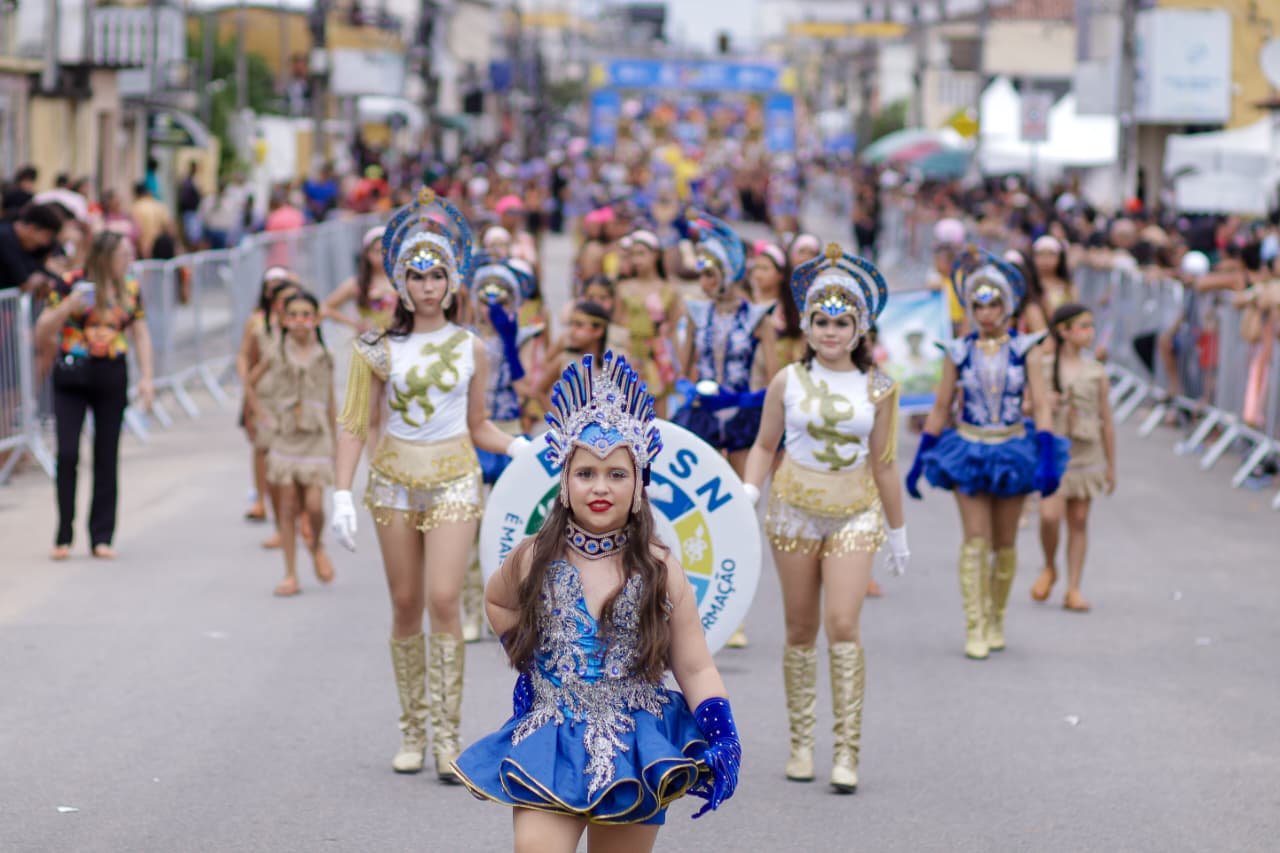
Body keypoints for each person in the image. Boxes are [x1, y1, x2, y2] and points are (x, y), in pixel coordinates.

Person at [452, 351, 742, 845]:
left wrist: (724, 735)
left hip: (636, 745)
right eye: (586, 473)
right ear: (565, 483)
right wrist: (528, 659)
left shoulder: (660, 569)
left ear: (639, 484)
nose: (600, 487)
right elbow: (498, 602)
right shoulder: (532, 557)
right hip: (550, 737)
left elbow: (694, 666)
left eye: (617, 474)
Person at [329, 188, 531, 779]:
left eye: (436, 275)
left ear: (452, 281)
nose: (426, 286)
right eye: (416, 276)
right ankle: (412, 730)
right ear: (400, 282)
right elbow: (355, 424)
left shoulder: (471, 348)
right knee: (404, 603)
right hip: (392, 482)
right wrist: (341, 493)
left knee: (444, 599)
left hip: (454, 480)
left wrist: (518, 446)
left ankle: (447, 735)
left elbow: (478, 424)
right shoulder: (376, 349)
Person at [741, 242, 909, 793]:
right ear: (807, 327)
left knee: (842, 623)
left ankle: (846, 751)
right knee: (799, 628)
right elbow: (764, 445)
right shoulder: (787, 381)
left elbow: (885, 465)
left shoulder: (879, 387)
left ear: (859, 329)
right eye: (821, 321)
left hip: (854, 515)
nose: (831, 331)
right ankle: (800, 744)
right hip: (793, 513)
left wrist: (898, 532)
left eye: (841, 322)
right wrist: (750, 489)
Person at [904, 248, 1068, 659]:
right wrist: (920, 459)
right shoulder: (958, 351)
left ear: (1007, 306)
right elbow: (941, 406)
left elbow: (1041, 404)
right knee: (975, 540)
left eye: (993, 303)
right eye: (978, 305)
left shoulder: (1025, 348)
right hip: (969, 449)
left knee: (1004, 543)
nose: (986, 312)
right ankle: (974, 625)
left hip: (1012, 449)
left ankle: (996, 617)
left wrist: (1047, 455)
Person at [36, 231, 155, 560]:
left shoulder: (128, 287)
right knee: (68, 454)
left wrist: (147, 378)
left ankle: (102, 536)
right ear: (105, 257)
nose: (128, 261)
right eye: (123, 255)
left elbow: (140, 333)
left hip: (111, 373)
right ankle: (64, 534)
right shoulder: (70, 283)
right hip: (72, 375)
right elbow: (43, 329)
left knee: (106, 454)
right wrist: (68, 306)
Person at [462, 255, 534, 641]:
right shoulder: (460, 340)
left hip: (507, 432)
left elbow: (525, 389)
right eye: (485, 297)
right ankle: (472, 610)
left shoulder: (522, 337)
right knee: (469, 526)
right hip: (470, 434)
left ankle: (510, 608)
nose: (491, 307)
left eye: (501, 299)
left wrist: (508, 341)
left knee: (510, 524)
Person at [1032, 304, 1116, 612]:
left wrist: (1111, 465)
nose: (1089, 333)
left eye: (1091, 326)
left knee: (1079, 519)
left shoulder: (1096, 371)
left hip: (1086, 451)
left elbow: (1107, 420)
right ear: (1064, 331)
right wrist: (1044, 404)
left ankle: (1074, 587)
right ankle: (1049, 565)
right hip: (1054, 450)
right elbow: (1026, 406)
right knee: (1049, 516)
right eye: (1083, 326)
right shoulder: (1043, 367)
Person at [260, 290, 338, 596]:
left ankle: (316, 544)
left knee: (315, 505)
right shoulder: (276, 353)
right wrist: (261, 414)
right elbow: (251, 380)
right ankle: (290, 573)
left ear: (316, 319)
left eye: (306, 315)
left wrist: (335, 443)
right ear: (283, 320)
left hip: (316, 437)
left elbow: (331, 401)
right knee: (288, 505)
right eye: (293, 315)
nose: (299, 321)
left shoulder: (324, 356)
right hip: (286, 436)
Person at [237, 271, 298, 540]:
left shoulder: (299, 323)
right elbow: (247, 358)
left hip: (292, 399)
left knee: (290, 458)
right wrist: (248, 394)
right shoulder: (258, 323)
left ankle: (295, 517)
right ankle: (265, 504)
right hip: (264, 397)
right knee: (264, 450)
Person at [615, 228, 683, 418]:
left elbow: (674, 330)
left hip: (658, 355)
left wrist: (679, 365)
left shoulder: (669, 289)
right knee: (628, 410)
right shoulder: (623, 287)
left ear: (655, 255)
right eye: (633, 255)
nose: (637, 260)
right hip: (631, 352)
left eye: (641, 253)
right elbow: (618, 327)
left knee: (659, 411)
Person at [320, 227, 398, 333]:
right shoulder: (358, 283)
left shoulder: (402, 278)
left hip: (403, 336)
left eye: (386, 250)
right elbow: (326, 307)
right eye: (377, 251)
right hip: (373, 338)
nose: (382, 255)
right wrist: (353, 324)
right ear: (367, 254)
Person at [0, 203, 62, 293]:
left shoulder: (24, 245)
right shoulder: (5, 239)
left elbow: (39, 271)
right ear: (32, 228)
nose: (46, 243)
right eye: (47, 236)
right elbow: (24, 283)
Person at [129, 181, 173, 260]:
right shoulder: (159, 205)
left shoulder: (135, 208)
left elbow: (136, 232)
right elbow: (169, 227)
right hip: (161, 247)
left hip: (145, 249)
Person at [176, 161, 203, 250]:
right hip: (189, 211)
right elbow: (184, 198)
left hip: (192, 211)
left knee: (193, 235)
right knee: (191, 236)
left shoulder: (193, 180)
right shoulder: (188, 181)